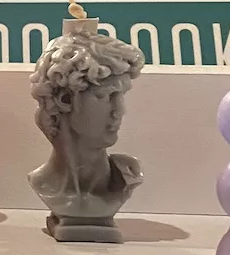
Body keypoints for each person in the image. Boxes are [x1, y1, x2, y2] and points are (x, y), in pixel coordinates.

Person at [28, 26, 144, 242]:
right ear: (65, 100)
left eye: (121, 96)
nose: (120, 110)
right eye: (105, 96)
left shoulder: (125, 178)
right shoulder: (44, 184)